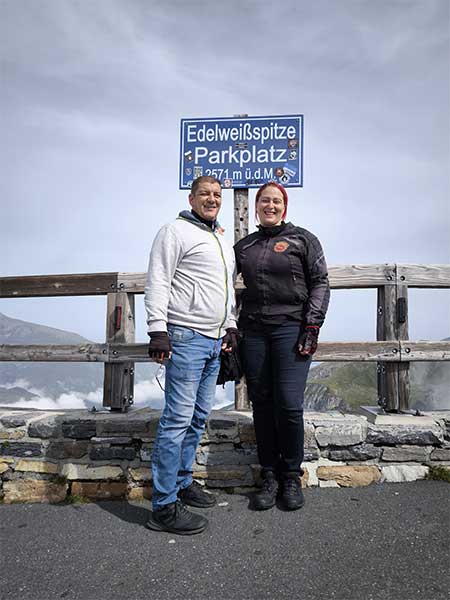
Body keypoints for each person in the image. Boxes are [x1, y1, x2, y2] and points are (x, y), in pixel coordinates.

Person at [144, 176, 238, 535]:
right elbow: (159, 279)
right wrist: (158, 330)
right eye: (205, 194)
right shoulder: (174, 231)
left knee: (199, 417)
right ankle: (164, 507)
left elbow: (226, 289)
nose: (212, 199)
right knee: (176, 421)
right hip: (184, 337)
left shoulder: (220, 238)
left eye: (216, 195)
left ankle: (182, 483)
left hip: (214, 341)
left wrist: (229, 324)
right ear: (191, 197)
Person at [234, 181, 330, 511]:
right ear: (256, 206)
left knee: (289, 405)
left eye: (276, 201)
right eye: (265, 201)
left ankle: (291, 476)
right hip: (254, 332)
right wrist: (229, 327)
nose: (270, 206)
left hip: (291, 329)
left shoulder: (303, 239)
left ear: (284, 206)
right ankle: (269, 475)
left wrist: (312, 325)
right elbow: (221, 285)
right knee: (261, 403)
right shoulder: (244, 245)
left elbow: (320, 282)